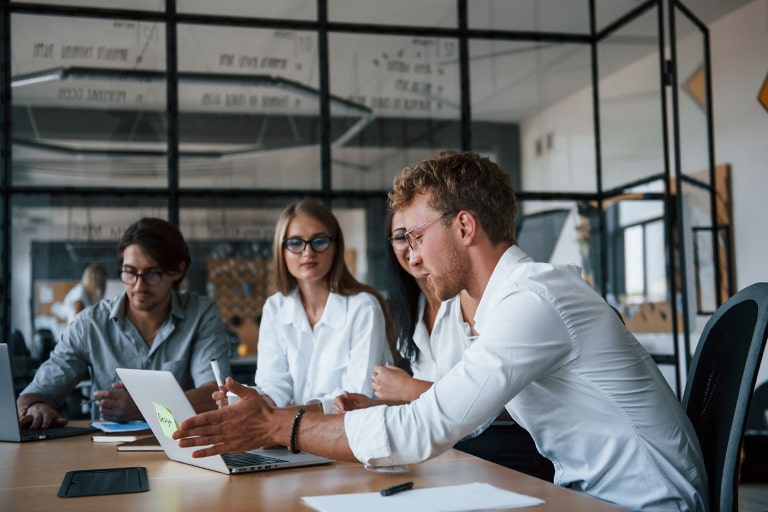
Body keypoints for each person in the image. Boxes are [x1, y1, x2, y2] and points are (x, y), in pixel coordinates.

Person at [174, 152, 708, 511]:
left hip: (642, 503)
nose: (409, 254)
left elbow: (424, 426)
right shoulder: (506, 303)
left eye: (414, 235)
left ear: (465, 226)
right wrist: (382, 416)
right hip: (590, 496)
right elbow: (451, 413)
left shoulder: (533, 299)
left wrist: (273, 425)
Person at [334, 208, 554, 480]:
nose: (414, 252)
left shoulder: (480, 299)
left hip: (500, 448)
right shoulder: (413, 310)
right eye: (403, 237)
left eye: (420, 236)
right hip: (452, 451)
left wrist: (409, 389)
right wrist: (381, 408)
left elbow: (506, 401)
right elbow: (430, 411)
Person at [18, 217, 231, 428]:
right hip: (107, 452)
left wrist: (144, 407)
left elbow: (216, 394)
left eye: (153, 274)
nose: (139, 286)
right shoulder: (90, 324)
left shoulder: (201, 314)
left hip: (186, 445)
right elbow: (33, 395)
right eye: (130, 272)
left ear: (177, 271)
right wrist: (36, 407)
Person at [219, 199, 394, 415]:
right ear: (281, 250)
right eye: (295, 243)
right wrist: (251, 402)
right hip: (289, 437)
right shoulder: (275, 308)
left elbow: (357, 398)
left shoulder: (363, 307)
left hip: (349, 436)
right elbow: (274, 384)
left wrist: (276, 417)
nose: (308, 252)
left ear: (336, 246)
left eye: (319, 241)